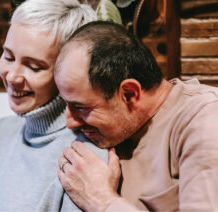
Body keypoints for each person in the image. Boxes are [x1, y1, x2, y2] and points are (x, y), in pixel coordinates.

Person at [0, 1, 108, 211]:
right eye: (8, 56)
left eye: (34, 67)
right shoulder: (2, 131)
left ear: (72, 75)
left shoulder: (82, 159)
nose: (12, 76)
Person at [55, 21, 218, 211]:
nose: (69, 122)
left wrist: (102, 200)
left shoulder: (205, 122)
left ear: (129, 94)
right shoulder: (114, 128)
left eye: (81, 108)